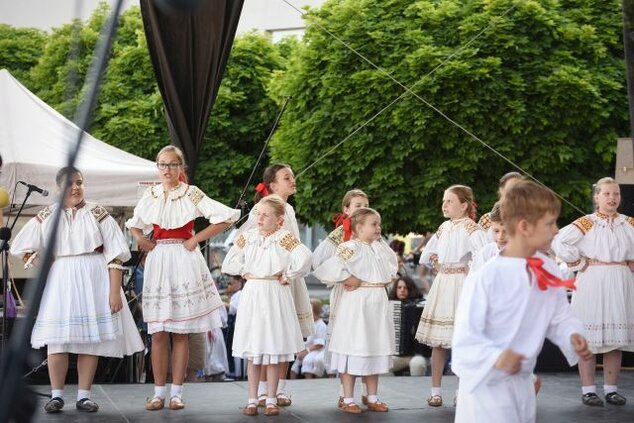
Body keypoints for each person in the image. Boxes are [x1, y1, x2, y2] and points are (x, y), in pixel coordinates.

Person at [452, 180, 592, 422]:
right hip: (486, 388)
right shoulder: (487, 276)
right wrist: (496, 358)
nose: (556, 230)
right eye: (550, 223)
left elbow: (559, 316)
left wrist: (572, 334)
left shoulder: (546, 267)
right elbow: (466, 338)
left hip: (521, 385)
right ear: (525, 226)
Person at [10, 166, 143, 413]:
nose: (75, 187)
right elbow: (20, 245)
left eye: (80, 182)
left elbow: (116, 255)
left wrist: (115, 292)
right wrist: (38, 260)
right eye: (70, 184)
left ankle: (84, 395)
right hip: (61, 278)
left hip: (94, 276)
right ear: (59, 188)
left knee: (89, 341)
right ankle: (57, 395)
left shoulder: (98, 213)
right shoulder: (47, 215)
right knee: (57, 340)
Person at [126, 145, 240, 411]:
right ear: (158, 167)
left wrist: (196, 239)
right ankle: (157, 392)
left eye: (172, 164)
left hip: (183, 257)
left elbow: (226, 218)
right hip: (158, 259)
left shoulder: (191, 193)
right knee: (157, 332)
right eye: (162, 164)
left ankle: (176, 392)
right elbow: (135, 223)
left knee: (180, 332)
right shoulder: (151, 194)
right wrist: (141, 238)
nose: (167, 169)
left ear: (181, 167)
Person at [221, 194, 312, 417]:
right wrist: (244, 271)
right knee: (254, 350)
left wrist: (288, 274)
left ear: (279, 220)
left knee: (273, 349)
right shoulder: (248, 237)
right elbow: (229, 261)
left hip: (275, 292)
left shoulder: (284, 238)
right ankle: (252, 399)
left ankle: (271, 399)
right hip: (254, 292)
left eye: (265, 215)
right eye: (258, 214)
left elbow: (305, 257)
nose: (259, 219)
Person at [551, 177, 634, 406]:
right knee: (588, 339)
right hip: (592, 280)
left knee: (614, 341)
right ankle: (588, 390)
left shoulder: (629, 223)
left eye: (615, 194)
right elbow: (559, 242)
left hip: (620, 280)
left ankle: (611, 389)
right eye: (606, 193)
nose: (612, 198)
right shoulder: (586, 223)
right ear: (596, 197)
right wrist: (578, 262)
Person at [313, 208, 398, 414]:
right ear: (359, 228)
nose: (378, 228)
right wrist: (348, 278)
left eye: (378, 224)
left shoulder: (380, 248)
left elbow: (391, 268)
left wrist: (387, 277)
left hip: (377, 304)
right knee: (353, 346)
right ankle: (348, 397)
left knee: (373, 347)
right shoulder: (350, 247)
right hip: (358, 305)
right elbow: (329, 268)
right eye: (374, 224)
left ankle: (372, 395)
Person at [415, 185, 488, 406]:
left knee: (462, 341)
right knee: (439, 342)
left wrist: (470, 268)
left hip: (462, 284)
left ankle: (462, 390)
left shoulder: (472, 229)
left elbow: (485, 256)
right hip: (444, 283)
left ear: (464, 205)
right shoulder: (443, 228)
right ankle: (435, 391)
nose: (444, 205)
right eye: (444, 201)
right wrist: (436, 262)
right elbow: (425, 256)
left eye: (450, 201)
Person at [312, 189, 371, 403]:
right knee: (348, 340)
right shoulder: (340, 233)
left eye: (365, 204)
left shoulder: (371, 229)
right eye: (357, 205)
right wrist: (343, 277)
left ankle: (368, 392)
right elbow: (319, 260)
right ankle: (344, 393)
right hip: (347, 294)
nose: (362, 208)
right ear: (346, 209)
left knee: (367, 339)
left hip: (368, 294)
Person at [388, 276, 426, 376]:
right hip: (397, 356)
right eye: (399, 287)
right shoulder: (389, 306)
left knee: (417, 364)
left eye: (406, 288)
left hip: (417, 355)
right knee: (382, 365)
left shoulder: (421, 305)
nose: (402, 290)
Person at [290, 299, 328, 379]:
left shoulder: (321, 325)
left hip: (316, 351)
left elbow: (319, 344)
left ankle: (310, 383)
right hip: (303, 350)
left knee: (308, 361)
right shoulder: (306, 324)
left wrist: (306, 351)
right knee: (293, 369)